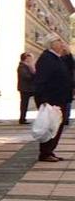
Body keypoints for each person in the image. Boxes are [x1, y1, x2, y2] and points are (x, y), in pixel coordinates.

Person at [33, 33, 72, 162]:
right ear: (52, 43)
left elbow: (70, 69)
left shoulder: (57, 58)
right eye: (59, 41)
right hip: (52, 99)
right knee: (50, 126)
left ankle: (49, 151)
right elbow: (41, 80)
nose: (62, 43)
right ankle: (45, 153)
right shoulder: (47, 58)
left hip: (60, 98)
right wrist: (43, 100)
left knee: (56, 126)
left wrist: (69, 54)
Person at [17, 52, 34, 125]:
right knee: (24, 104)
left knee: (25, 104)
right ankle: (22, 119)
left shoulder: (27, 66)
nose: (31, 59)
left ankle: (23, 118)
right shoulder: (22, 66)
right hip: (24, 88)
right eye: (30, 58)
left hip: (28, 88)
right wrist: (33, 73)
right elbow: (26, 76)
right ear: (26, 58)